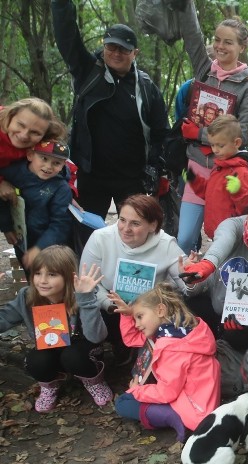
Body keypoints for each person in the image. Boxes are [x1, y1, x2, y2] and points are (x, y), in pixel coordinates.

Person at [51, 0, 169, 223]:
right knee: (85, 233)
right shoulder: (88, 71)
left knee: (132, 233)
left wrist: (157, 168)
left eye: (123, 49)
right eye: (111, 47)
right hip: (90, 174)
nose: (116, 53)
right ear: (103, 46)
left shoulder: (145, 86)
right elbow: (67, 35)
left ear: (134, 53)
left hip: (131, 177)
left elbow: (160, 131)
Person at [175, 0, 248, 254]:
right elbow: (192, 37)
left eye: (228, 42)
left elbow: (245, 133)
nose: (220, 46)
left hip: (226, 174)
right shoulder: (205, 70)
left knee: (222, 239)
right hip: (196, 166)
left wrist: (200, 134)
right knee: (184, 238)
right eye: (217, 40)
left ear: (242, 46)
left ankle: (219, 286)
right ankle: (185, 286)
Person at [0, 246, 110, 412]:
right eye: (38, 273)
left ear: (68, 276)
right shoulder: (27, 296)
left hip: (83, 352)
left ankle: (94, 381)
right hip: (49, 348)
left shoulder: (81, 293)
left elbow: (97, 337)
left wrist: (86, 300)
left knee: (72, 355)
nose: (42, 280)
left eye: (52, 274)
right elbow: (5, 318)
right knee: (34, 360)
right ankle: (51, 384)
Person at [179, 191, 248, 348]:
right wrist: (207, 265)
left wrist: (240, 316)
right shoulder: (233, 226)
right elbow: (222, 243)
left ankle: (232, 359)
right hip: (211, 299)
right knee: (187, 307)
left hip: (238, 309)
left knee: (242, 331)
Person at [111, 283, 220, 442]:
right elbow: (133, 339)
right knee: (131, 396)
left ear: (160, 310)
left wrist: (137, 390)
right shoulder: (189, 329)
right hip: (203, 401)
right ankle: (177, 417)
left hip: (195, 412)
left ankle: (176, 419)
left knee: (122, 403)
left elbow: (167, 393)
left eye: (140, 316)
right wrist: (130, 313)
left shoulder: (170, 347)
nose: (136, 324)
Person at [79, 195, 186, 355]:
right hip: (110, 304)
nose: (126, 228)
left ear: (152, 225)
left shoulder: (166, 244)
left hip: (151, 309)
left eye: (135, 223)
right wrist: (112, 305)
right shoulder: (100, 238)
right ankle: (111, 347)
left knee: (195, 306)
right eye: (122, 220)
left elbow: (189, 288)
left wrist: (192, 276)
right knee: (89, 311)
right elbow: (87, 282)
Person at [0, 140, 74, 269]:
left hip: (49, 246)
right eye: (44, 158)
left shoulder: (61, 188)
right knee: (31, 276)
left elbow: (60, 223)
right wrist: (6, 227)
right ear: (30, 155)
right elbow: (2, 201)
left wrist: (40, 248)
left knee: (48, 278)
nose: (48, 166)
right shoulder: (11, 173)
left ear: (64, 165)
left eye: (56, 163)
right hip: (21, 239)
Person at [183, 115, 248, 239]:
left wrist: (238, 192)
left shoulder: (242, 172)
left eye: (220, 145)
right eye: (212, 145)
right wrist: (194, 181)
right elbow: (209, 192)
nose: (215, 150)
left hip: (232, 235)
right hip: (217, 233)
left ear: (237, 143)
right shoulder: (219, 167)